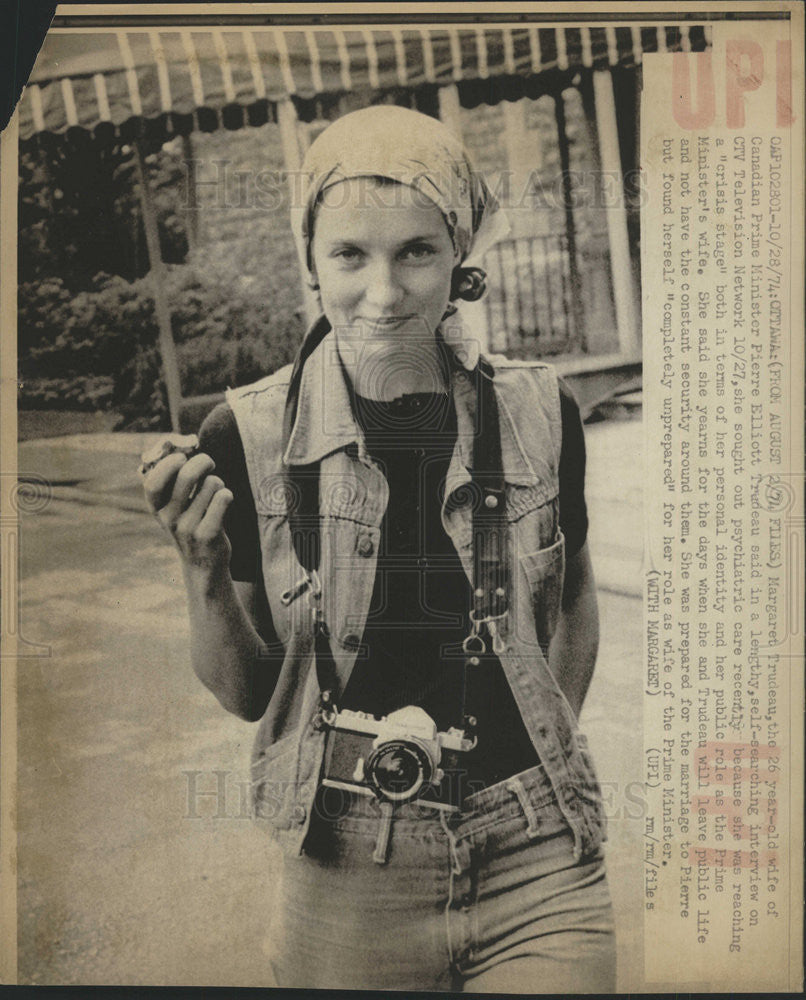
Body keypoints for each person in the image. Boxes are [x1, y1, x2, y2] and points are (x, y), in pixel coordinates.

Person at [142, 105, 616, 993]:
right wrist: (201, 571)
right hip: (347, 871)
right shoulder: (245, 436)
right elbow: (250, 694)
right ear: (311, 263)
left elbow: (577, 599)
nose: (384, 294)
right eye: (350, 255)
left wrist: (548, 746)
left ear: (461, 262)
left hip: (537, 858)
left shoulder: (539, 410)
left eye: (417, 253)